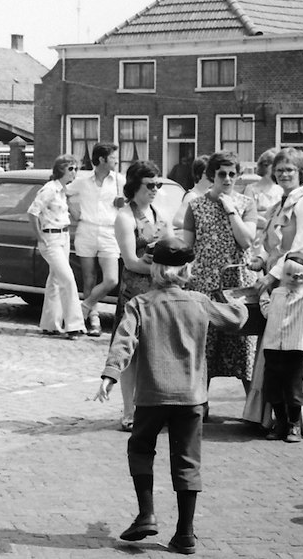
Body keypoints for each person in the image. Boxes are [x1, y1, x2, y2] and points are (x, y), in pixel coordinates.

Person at [95, 237, 248, 555]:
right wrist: (240, 299)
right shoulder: (200, 301)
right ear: (187, 270)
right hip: (191, 397)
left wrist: (110, 375)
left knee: (140, 448)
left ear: (155, 269)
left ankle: (146, 513)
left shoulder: (140, 304)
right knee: (187, 462)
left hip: (152, 396)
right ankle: (186, 534)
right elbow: (235, 321)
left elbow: (124, 342)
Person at [243, 147, 303, 433]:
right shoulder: (280, 204)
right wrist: (261, 261)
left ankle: (294, 421)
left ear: (301, 171)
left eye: (290, 168)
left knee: (291, 356)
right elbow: (273, 246)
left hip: (295, 286)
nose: (284, 173)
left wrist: (272, 276)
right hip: (277, 284)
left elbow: (302, 248)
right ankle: (271, 417)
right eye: (280, 168)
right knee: (273, 354)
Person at [181, 151, 258, 420]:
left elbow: (247, 241)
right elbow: (187, 247)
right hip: (205, 285)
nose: (227, 179)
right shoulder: (195, 206)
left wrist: (231, 209)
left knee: (244, 346)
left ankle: (254, 409)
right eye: (221, 174)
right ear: (211, 175)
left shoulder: (246, 203)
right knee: (204, 345)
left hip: (237, 285)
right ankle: (200, 405)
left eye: (232, 174)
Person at [111, 160, 173, 430]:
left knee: (158, 352)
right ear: (135, 185)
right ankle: (128, 410)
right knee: (132, 353)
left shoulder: (161, 214)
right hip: (135, 295)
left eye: (158, 184)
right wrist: (159, 266)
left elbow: (172, 247)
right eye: (150, 185)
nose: (155, 189)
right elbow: (131, 261)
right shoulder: (125, 217)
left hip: (160, 292)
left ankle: (154, 407)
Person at [257, 252, 303, 442]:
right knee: (273, 388)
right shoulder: (277, 293)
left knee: (293, 389)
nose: (292, 279)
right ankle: (281, 422)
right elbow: (268, 312)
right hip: (272, 348)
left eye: (298, 275)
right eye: (288, 274)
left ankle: (294, 424)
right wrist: (262, 294)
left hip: (295, 349)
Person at [67, 143, 124, 336]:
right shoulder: (83, 181)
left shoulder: (119, 180)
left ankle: (84, 309)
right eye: (114, 157)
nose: (116, 160)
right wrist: (72, 209)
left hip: (109, 232)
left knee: (111, 279)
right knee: (89, 278)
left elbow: (133, 200)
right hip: (87, 230)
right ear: (102, 159)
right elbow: (61, 191)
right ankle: (94, 319)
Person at [28, 154, 86, 338]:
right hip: (51, 238)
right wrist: (40, 237)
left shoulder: (63, 191)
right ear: (60, 170)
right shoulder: (49, 189)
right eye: (71, 169)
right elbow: (32, 212)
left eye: (76, 169)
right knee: (68, 279)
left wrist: (71, 199)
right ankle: (74, 325)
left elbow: (75, 215)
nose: (74, 173)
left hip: (63, 236)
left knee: (54, 281)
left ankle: (50, 323)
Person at [242, 148, 282, 244]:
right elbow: (248, 215)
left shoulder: (282, 190)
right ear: (265, 166)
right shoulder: (251, 189)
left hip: (278, 238)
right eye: (274, 166)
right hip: (258, 238)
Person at [173, 155, 211, 230]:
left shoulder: (211, 193)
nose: (211, 176)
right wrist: (198, 230)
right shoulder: (192, 196)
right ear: (198, 174)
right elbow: (177, 221)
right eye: (207, 173)